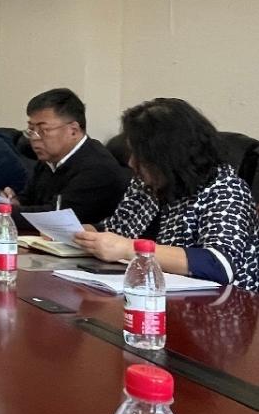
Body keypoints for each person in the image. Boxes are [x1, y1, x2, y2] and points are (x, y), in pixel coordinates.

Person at [74, 98, 259, 291]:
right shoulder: (148, 183)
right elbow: (117, 230)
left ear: (167, 155)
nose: (131, 162)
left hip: (217, 302)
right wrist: (86, 233)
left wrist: (131, 249)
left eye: (139, 155)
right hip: (151, 293)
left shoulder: (225, 190)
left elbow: (219, 264)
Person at [0, 88, 129, 227]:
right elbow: (28, 200)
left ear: (73, 131)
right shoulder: (49, 159)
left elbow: (58, 217)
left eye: (43, 130)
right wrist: (13, 201)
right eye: (31, 130)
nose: (34, 138)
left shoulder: (98, 168)